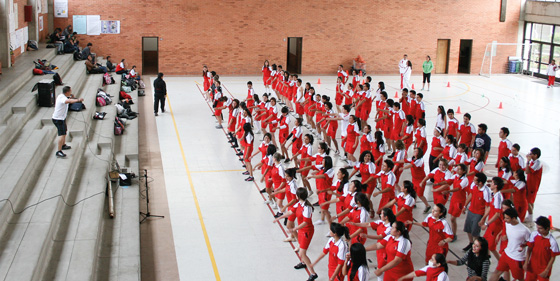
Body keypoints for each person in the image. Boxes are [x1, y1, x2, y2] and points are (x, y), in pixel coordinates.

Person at [273, 188, 318, 281]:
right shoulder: (299, 204)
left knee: (302, 252)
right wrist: (280, 217)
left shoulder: (307, 208)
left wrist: (294, 229)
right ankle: (303, 262)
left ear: (298, 196)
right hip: (302, 230)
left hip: (307, 231)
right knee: (301, 247)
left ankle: (313, 273)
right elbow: (290, 212)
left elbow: (306, 222)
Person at [489, 208, 531, 281]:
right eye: (504, 217)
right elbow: (504, 229)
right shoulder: (507, 223)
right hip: (507, 253)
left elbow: (530, 243)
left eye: (507, 218)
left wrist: (524, 246)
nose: (505, 220)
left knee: (520, 278)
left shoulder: (524, 230)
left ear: (514, 218)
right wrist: (500, 234)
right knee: (496, 272)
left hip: (517, 258)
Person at [462, 172, 491, 252]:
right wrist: (465, 206)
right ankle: (471, 243)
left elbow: (487, 206)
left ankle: (477, 247)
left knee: (475, 232)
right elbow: (470, 195)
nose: (473, 181)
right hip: (471, 210)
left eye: (475, 180)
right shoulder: (474, 186)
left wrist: (483, 219)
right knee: (468, 229)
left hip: (479, 213)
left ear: (480, 182)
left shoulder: (485, 191)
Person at [524, 216, 559, 281]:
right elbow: (529, 249)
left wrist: (546, 270)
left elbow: (553, 257)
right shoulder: (534, 234)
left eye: (540, 228)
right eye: (537, 228)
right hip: (532, 266)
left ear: (547, 228)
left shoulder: (552, 242)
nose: (537, 230)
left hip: (543, 269)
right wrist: (526, 262)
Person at [52, 86, 83, 158]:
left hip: (62, 118)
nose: (71, 92)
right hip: (58, 119)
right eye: (70, 91)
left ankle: (63, 145)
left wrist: (71, 97)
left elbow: (68, 100)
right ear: (67, 92)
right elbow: (67, 101)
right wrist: (78, 100)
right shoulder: (62, 98)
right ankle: (59, 151)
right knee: (61, 134)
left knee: (65, 131)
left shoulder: (62, 96)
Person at [525, 147, 542, 222]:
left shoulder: (537, 163)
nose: (529, 155)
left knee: (529, 201)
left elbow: (528, 171)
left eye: (531, 154)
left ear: (536, 155)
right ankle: (529, 216)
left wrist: (527, 161)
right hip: (529, 183)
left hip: (533, 185)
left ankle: (530, 217)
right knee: (530, 201)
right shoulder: (533, 162)